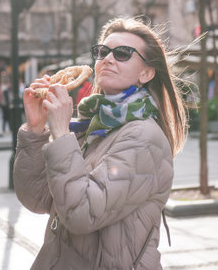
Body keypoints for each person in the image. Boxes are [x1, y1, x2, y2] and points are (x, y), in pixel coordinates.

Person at [13, 17, 188, 269]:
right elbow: (37, 198)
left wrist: (61, 134)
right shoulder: (91, 124)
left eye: (123, 53)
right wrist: (35, 129)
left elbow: (81, 215)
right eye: (102, 51)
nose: (108, 59)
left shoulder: (143, 138)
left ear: (146, 73)